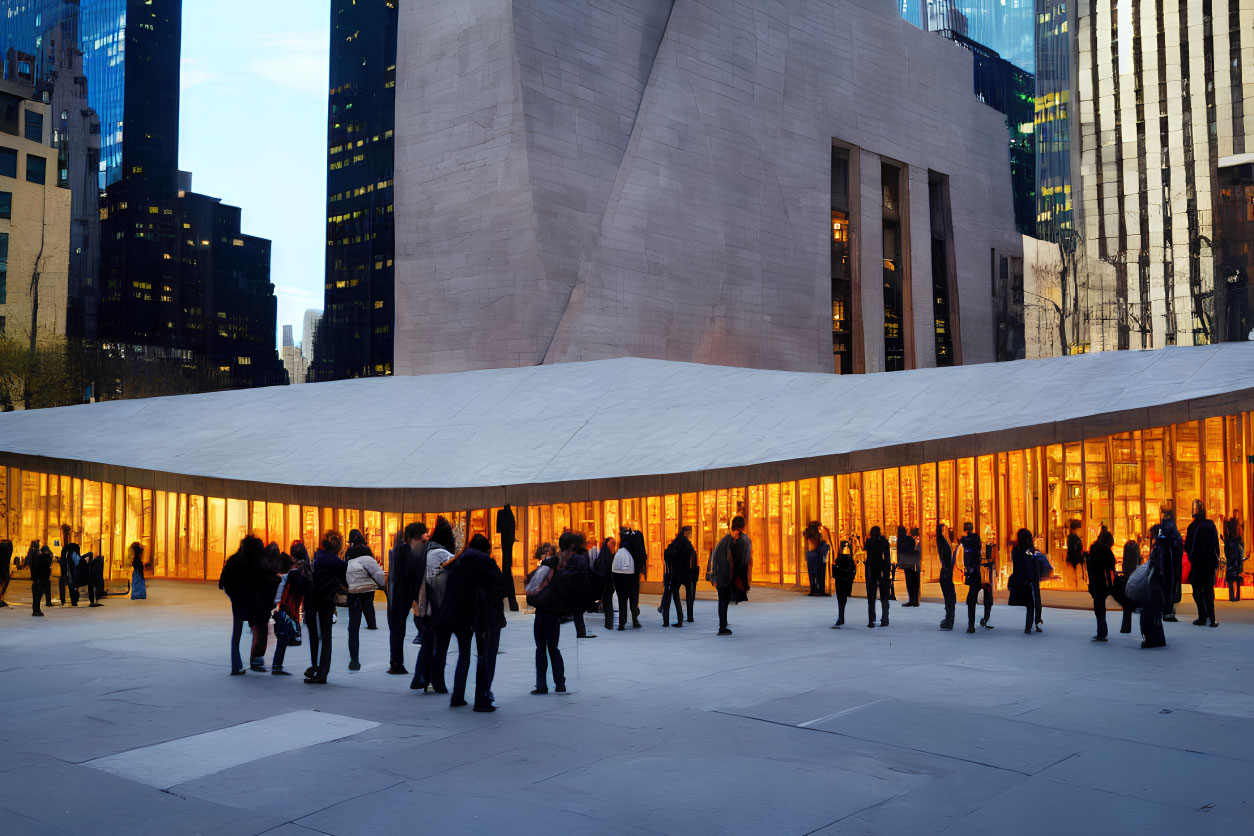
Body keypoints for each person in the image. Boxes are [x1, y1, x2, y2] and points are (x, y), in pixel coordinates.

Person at [463, 532, 511, 711]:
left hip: (473, 616)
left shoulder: (464, 565)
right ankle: (483, 695)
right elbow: (502, 588)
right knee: (488, 657)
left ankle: (480, 695)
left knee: (481, 655)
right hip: (488, 616)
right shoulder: (487, 564)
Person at [416, 517, 457, 693]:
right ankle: (437, 682)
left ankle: (423, 678)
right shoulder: (445, 556)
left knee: (428, 644)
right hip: (441, 607)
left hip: (424, 607)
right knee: (440, 648)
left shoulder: (425, 553)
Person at [530, 537, 574, 695]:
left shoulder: (547, 568)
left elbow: (532, 583)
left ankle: (542, 684)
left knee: (542, 649)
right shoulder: (561, 570)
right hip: (552, 613)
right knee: (551, 648)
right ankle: (559, 683)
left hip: (544, 612)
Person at [305, 531, 347, 684]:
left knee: (314, 636)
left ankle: (315, 667)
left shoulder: (316, 557)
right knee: (326, 636)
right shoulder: (337, 563)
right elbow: (346, 582)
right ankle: (322, 671)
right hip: (326, 600)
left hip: (311, 600)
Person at [387, 522, 428, 675]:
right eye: (421, 537)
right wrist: (416, 596)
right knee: (398, 630)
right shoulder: (405, 552)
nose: (423, 540)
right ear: (413, 538)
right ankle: (396, 663)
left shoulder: (401, 550)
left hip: (400, 594)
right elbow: (409, 575)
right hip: (400, 594)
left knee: (397, 630)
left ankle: (396, 662)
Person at [344, 529, 386, 671]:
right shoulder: (367, 552)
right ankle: (371, 623)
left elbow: (345, 571)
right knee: (369, 606)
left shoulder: (349, 553)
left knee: (353, 627)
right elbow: (376, 572)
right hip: (367, 589)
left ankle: (354, 659)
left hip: (354, 592)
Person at [220, 536, 262, 674]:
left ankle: (236, 665)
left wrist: (233, 594)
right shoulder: (255, 563)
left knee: (237, 631)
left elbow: (223, 582)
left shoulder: (234, 561)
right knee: (257, 630)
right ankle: (255, 660)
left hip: (238, 600)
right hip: (252, 600)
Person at [1142, 513, 1181, 648]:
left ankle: (1154, 638)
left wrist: (1155, 578)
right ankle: (1157, 637)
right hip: (1163, 584)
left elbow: (1160, 567)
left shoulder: (1162, 547)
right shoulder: (1169, 545)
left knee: (1152, 611)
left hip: (1159, 583)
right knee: (1155, 612)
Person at [708, 515, 751, 635]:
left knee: (724, 600)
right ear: (740, 527)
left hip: (725, 576)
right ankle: (722, 626)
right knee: (723, 600)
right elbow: (717, 560)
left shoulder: (728, 540)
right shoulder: (729, 541)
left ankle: (723, 623)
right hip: (724, 577)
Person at [272, 548, 310, 675]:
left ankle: (277, 664)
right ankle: (276, 665)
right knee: (283, 637)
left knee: (282, 636)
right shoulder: (292, 575)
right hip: (282, 609)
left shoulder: (283, 575)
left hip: (278, 608)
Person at [1184, 499, 1220, 628]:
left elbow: (1188, 547)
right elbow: (1216, 544)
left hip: (1197, 564)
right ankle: (1212, 618)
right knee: (1209, 590)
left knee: (1197, 591)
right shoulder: (1210, 525)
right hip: (1209, 563)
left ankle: (1202, 616)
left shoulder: (1192, 527)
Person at [559, 531, 595, 638]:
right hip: (577, 587)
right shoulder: (579, 555)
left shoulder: (568, 555)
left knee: (576, 612)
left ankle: (581, 632)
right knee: (578, 612)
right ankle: (581, 632)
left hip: (572, 587)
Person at [662, 526, 696, 626]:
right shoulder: (688, 545)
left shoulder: (675, 545)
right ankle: (690, 616)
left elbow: (667, 555)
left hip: (676, 573)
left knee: (675, 595)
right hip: (686, 573)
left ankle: (680, 617)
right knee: (689, 593)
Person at [1085, 528, 1115, 641]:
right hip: (1102, 581)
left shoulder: (1095, 549)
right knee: (1100, 606)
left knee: (1098, 606)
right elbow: (1110, 564)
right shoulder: (1105, 551)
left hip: (1096, 581)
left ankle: (1101, 631)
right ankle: (1102, 631)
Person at [1009, 528, 1040, 634]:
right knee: (1030, 604)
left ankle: (1029, 626)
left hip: (1019, 579)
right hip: (1027, 580)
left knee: (1029, 604)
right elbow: (1035, 560)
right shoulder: (1029, 551)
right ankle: (1029, 626)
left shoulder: (1017, 550)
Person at [957, 522, 986, 632]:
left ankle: (971, 625)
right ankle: (974, 623)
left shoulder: (967, 547)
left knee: (971, 600)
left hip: (973, 575)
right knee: (972, 599)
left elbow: (965, 562)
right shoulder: (975, 545)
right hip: (976, 574)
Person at [611, 534, 641, 630]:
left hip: (620, 579)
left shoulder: (619, 552)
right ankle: (634, 620)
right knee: (633, 601)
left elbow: (614, 570)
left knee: (622, 602)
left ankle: (622, 623)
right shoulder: (634, 551)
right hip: (632, 579)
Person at [621, 524, 647, 626]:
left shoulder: (625, 543)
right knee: (634, 598)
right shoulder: (638, 543)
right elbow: (642, 557)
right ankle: (634, 619)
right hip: (634, 575)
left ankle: (622, 622)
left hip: (624, 575)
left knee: (623, 599)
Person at [864, 526, 890, 628]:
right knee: (880, 596)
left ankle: (875, 618)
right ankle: (882, 618)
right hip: (879, 570)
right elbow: (886, 558)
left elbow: (868, 556)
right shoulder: (881, 542)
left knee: (873, 596)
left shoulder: (872, 542)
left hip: (875, 570)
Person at [497, 504, 519, 611]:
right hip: (507, 542)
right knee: (507, 570)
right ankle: (512, 602)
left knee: (506, 570)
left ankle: (511, 601)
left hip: (507, 542)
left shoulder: (506, 515)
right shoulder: (509, 515)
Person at [831, 538, 856, 627]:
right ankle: (841, 616)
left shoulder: (840, 559)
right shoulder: (848, 560)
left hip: (842, 578)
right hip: (844, 578)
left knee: (841, 598)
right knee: (842, 598)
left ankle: (841, 616)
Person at [935, 524, 956, 630]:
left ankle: (949, 620)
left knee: (949, 596)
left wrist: (945, 570)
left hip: (946, 572)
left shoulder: (942, 542)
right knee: (949, 596)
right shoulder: (944, 541)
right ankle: (949, 618)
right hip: (947, 571)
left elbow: (943, 557)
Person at [1118, 538, 1141, 633]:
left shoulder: (1127, 547)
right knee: (1128, 604)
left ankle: (1126, 627)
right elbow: (1137, 559)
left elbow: (1125, 559)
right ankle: (1126, 627)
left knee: (1126, 605)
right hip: (1132, 572)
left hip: (1128, 573)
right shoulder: (1134, 547)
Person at [594, 536, 617, 630]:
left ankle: (609, 622)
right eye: (611, 542)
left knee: (607, 602)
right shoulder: (605, 556)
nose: (613, 544)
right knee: (607, 602)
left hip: (609, 583)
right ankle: (609, 622)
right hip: (605, 582)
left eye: (614, 542)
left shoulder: (614, 555)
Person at [25, 541, 53, 617]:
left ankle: (36, 610)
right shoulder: (37, 557)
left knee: (37, 596)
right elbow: (45, 562)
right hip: (39, 579)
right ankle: (36, 610)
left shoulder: (33, 555)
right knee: (38, 595)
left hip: (37, 579)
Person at [804, 522, 831, 596]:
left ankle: (813, 589)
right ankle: (820, 589)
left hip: (811, 555)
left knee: (812, 574)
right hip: (818, 555)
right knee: (820, 574)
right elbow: (820, 544)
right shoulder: (817, 534)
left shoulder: (808, 533)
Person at [897, 525, 921, 606]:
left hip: (907, 563)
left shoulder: (901, 540)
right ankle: (915, 600)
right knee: (914, 581)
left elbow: (900, 552)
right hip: (912, 562)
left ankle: (912, 600)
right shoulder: (910, 540)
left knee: (910, 582)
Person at [1224, 516, 1245, 602]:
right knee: (1236, 577)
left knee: (1231, 579)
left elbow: (1227, 552)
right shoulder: (1239, 541)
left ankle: (1232, 596)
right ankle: (1237, 596)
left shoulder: (1229, 541)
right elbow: (1241, 552)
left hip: (1231, 561)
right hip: (1237, 561)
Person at [1065, 518, 1086, 587]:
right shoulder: (1076, 538)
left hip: (1071, 558)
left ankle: (1074, 586)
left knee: (1072, 576)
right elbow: (1076, 549)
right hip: (1076, 559)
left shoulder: (1070, 537)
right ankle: (1076, 586)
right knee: (1076, 575)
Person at [0, 538, 12, 608]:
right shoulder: (7, 549)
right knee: (4, 582)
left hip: (3, 568)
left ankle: (1, 598)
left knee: (3, 582)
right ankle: (1, 598)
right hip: (4, 568)